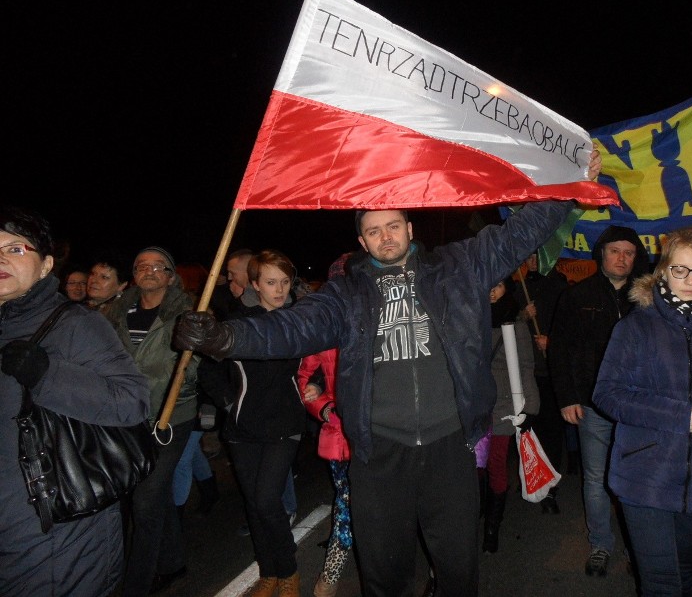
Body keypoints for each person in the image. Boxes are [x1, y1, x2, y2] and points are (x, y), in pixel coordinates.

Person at [174, 151, 600, 597]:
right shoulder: (344, 292)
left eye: (393, 226)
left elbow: (520, 234)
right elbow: (291, 326)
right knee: (383, 574)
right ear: (362, 242)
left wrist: (568, 187)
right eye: (373, 231)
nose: (385, 237)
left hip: (449, 445)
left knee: (457, 569)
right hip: (378, 454)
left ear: (410, 229)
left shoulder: (460, 267)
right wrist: (224, 339)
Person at [0, 206, 150, 597]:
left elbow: (131, 401)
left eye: (16, 249)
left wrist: (47, 375)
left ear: (47, 264)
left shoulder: (74, 324)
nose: (1, 258)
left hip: (56, 528)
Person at [592, 227, 692, 596]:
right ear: (663, 272)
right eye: (680, 270)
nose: (689, 280)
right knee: (661, 583)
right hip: (645, 473)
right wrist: (674, 414)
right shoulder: (635, 327)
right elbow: (607, 394)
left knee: (685, 573)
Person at [198, 249, 306, 597]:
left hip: (285, 424)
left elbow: (319, 361)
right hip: (243, 428)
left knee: (265, 501)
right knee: (254, 503)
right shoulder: (238, 324)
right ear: (255, 284)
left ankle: (288, 571)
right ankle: (269, 572)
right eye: (271, 282)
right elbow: (208, 370)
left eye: (285, 282)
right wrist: (230, 403)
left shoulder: (302, 321)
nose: (279, 289)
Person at [549, 224, 649, 577]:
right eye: (614, 251)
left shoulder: (648, 298)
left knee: (638, 478)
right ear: (601, 254)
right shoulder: (577, 296)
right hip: (593, 404)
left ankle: (642, 548)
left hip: (640, 406)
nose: (622, 258)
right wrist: (568, 397)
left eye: (629, 252)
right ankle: (601, 545)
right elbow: (560, 350)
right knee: (595, 478)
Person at [105, 246, 200, 596]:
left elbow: (197, 362)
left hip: (171, 417)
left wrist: (183, 373)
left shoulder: (188, 313)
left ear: (170, 276)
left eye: (157, 266)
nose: (148, 271)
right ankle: (173, 564)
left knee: (144, 501)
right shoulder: (115, 314)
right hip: (128, 418)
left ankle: (137, 584)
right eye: (141, 266)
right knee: (150, 495)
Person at [297, 252, 354, 597]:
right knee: (346, 503)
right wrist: (325, 408)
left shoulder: (388, 318)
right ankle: (331, 572)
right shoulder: (324, 327)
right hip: (341, 434)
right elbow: (304, 379)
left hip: (389, 432)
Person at [483, 276, 539, 553]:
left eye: (499, 285)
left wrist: (529, 408)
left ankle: (493, 526)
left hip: (503, 407)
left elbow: (526, 366)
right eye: (488, 285)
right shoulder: (470, 317)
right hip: (474, 407)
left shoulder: (515, 324)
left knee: (496, 465)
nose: (492, 292)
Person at [514, 252, 569, 513]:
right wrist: (523, 315)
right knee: (529, 429)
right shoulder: (519, 288)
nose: (533, 261)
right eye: (530, 257)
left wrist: (553, 343)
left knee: (552, 430)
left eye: (539, 256)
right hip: (526, 372)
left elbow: (572, 329)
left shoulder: (560, 286)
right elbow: (506, 326)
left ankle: (552, 487)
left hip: (551, 371)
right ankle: (533, 478)